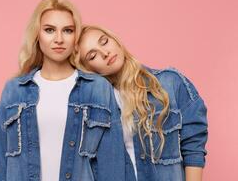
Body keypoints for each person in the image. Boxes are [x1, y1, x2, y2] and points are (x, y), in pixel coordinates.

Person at [0, 0, 132, 181]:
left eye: (67, 30)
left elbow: (112, 165)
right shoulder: (14, 91)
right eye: (49, 30)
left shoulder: (98, 89)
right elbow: (1, 165)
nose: (59, 39)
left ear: (75, 37)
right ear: (37, 35)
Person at [75, 25, 208, 181]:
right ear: (88, 68)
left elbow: (193, 148)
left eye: (104, 42)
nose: (105, 53)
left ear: (115, 40)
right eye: (92, 56)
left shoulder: (170, 83)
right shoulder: (93, 108)